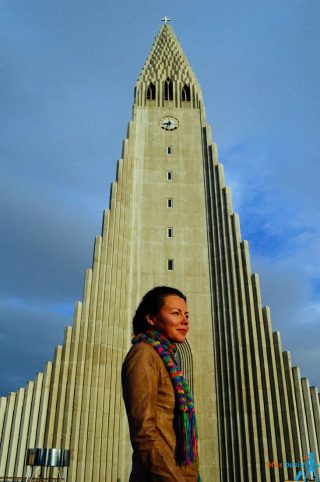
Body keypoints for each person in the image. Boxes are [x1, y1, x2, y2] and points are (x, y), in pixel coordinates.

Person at [121, 286, 201, 482]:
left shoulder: (167, 360)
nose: (185, 320)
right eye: (175, 313)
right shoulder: (143, 354)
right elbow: (144, 434)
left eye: (186, 314)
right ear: (152, 318)